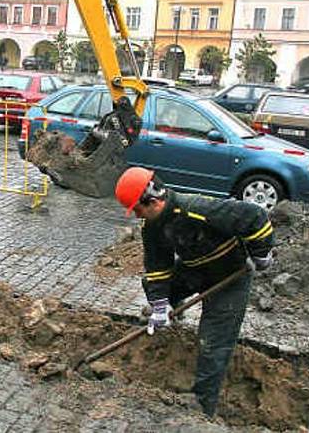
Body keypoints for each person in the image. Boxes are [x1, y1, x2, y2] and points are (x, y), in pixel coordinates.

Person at [114, 167, 274, 418]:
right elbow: (157, 267)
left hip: (230, 277)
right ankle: (167, 314)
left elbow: (255, 217)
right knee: (153, 287)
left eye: (137, 209)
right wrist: (159, 305)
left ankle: (202, 406)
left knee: (212, 344)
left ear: (154, 201)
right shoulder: (152, 227)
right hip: (196, 269)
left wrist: (261, 252)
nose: (136, 215)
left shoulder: (198, 208)